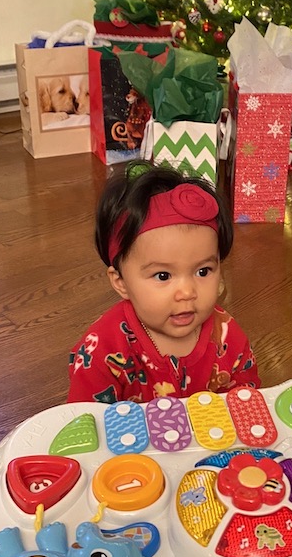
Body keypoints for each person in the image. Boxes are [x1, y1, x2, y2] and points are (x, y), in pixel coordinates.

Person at [67, 162, 260, 403]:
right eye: (163, 276)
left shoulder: (227, 337)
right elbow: (85, 418)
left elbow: (247, 403)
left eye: (203, 271)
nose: (187, 292)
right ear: (121, 282)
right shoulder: (101, 352)